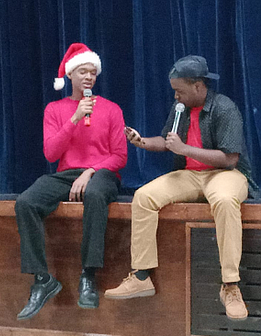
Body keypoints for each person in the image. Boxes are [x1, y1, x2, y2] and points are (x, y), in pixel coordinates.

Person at [105, 55, 256, 321]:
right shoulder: (181, 110)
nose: (176, 96)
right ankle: (141, 276)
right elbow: (166, 142)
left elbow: (230, 158)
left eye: (180, 91)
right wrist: (142, 142)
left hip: (225, 173)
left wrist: (185, 149)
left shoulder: (224, 108)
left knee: (223, 200)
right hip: (189, 175)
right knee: (143, 197)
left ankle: (230, 285)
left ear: (198, 86)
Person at [15, 43, 127, 320]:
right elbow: (51, 153)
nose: (89, 77)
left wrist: (90, 172)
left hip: (102, 173)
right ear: (70, 75)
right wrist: (75, 118)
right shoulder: (55, 109)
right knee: (25, 202)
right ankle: (42, 279)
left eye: (93, 72)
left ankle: (88, 276)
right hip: (67, 173)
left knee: (96, 193)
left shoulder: (111, 109)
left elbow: (120, 156)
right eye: (82, 72)